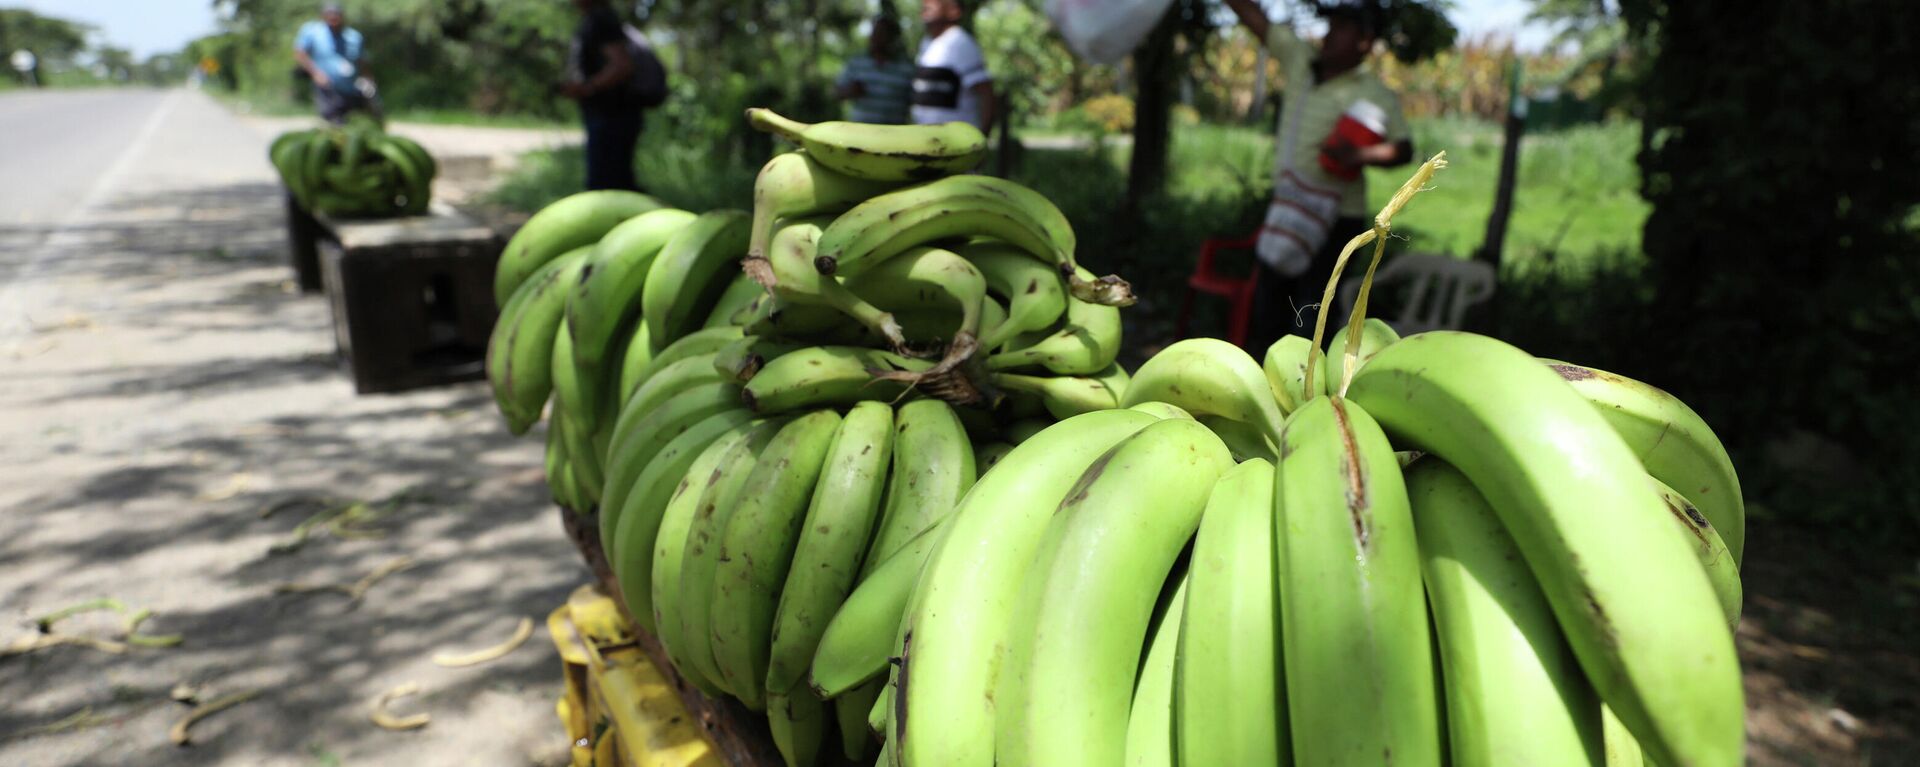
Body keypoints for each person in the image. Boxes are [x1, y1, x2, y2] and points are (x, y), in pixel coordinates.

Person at [1225, 0, 1414, 352]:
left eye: (1342, 29)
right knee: (1271, 299)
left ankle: (1310, 389)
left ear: (1365, 42)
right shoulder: (1301, 62)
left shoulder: (1374, 94)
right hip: (1290, 204)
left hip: (1338, 217)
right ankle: (1267, 378)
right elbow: (1257, 21)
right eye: (1331, 27)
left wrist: (1359, 154)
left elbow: (1402, 149)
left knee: (1314, 308)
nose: (1329, 36)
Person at [561, 0, 645, 192]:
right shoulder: (593, 20)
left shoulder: (601, 20)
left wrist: (588, 87)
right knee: (611, 181)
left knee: (608, 184)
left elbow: (622, 65)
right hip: (605, 114)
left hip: (613, 115)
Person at [911, 0, 995, 132]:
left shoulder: (962, 44)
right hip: (927, 140)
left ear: (954, 11)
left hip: (954, 142)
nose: (927, 4)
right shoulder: (927, 42)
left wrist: (983, 136)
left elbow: (986, 93)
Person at [294, 3, 374, 124]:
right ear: (323, 16)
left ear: (342, 16)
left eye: (336, 14)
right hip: (327, 88)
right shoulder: (313, 32)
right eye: (329, 14)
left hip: (351, 88)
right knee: (333, 121)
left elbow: (362, 61)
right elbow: (300, 53)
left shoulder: (354, 37)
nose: (333, 18)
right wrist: (315, 74)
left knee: (356, 120)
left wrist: (368, 79)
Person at [835, 14, 917, 124]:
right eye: (875, 32)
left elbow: (916, 100)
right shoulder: (856, 62)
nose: (876, 37)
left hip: (894, 135)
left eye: (882, 33)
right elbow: (836, 93)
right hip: (859, 134)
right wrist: (850, 91)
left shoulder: (906, 67)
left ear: (893, 37)